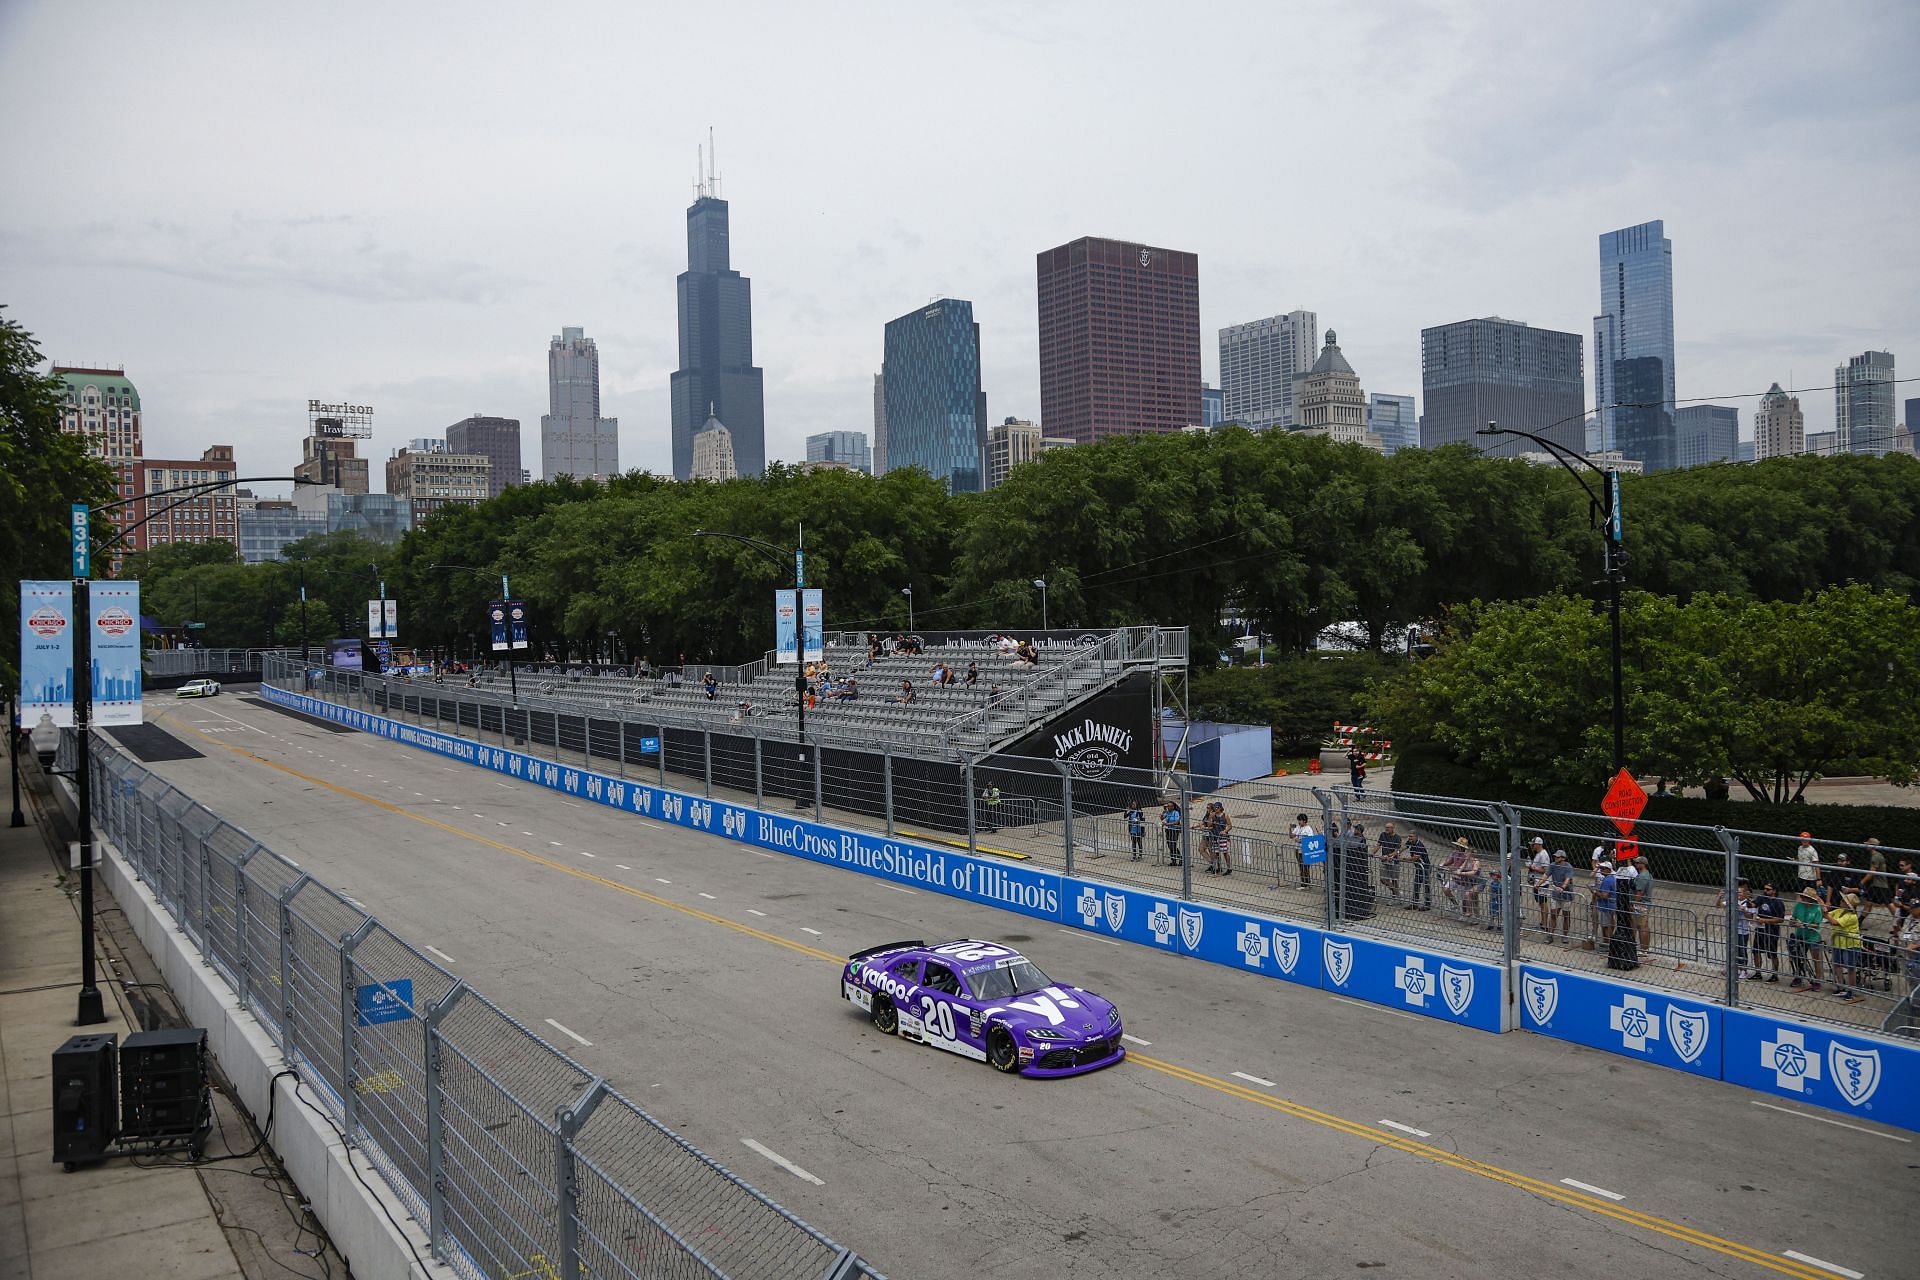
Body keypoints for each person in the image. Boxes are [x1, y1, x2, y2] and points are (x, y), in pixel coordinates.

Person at [1826, 892, 1865, 1004]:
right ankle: (1841, 986)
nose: (1841, 901)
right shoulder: (1839, 911)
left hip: (1850, 944)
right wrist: (1823, 908)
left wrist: (1825, 913)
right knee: (1837, 964)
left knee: (1850, 968)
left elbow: (1834, 922)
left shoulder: (1851, 916)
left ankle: (1851, 990)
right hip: (1838, 942)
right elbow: (1829, 915)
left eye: (1843, 901)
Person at [1788, 887, 1824, 991]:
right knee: (1798, 957)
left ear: (1811, 900)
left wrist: (1804, 924)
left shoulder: (1817, 908)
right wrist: (1793, 922)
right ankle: (1798, 976)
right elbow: (1793, 918)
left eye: (1805, 897)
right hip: (1800, 935)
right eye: (1802, 897)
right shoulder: (1799, 906)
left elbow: (1816, 924)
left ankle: (1818, 980)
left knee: (1816, 959)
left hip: (1813, 937)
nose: (1803, 899)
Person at [1751, 881, 1785, 982]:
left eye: (1768, 889)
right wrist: (1746, 899)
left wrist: (1765, 920)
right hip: (1760, 928)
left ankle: (1775, 975)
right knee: (1756, 951)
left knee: (1772, 953)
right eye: (1764, 889)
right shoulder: (1762, 898)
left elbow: (1780, 919)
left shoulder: (1778, 902)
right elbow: (1753, 904)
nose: (1765, 891)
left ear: (1774, 891)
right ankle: (1758, 973)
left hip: (1772, 930)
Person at [1547, 850, 1575, 942]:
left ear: (1563, 858)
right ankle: (1550, 935)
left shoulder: (1568, 867)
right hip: (1556, 894)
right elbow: (1545, 875)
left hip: (1566, 895)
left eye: (1558, 857)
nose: (1555, 858)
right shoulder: (1553, 865)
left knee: (1566, 916)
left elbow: (1568, 879)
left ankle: (1565, 935)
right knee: (1553, 914)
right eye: (1555, 856)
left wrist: (1562, 887)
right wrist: (1538, 884)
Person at [1527, 838, 1552, 934]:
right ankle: (1542, 923)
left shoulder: (1543, 855)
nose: (1532, 846)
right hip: (1537, 883)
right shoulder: (1538, 854)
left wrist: (1533, 868)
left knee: (1543, 903)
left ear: (1538, 844)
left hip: (1542, 883)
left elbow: (1546, 870)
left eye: (1533, 844)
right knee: (1541, 903)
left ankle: (1545, 925)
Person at [1631, 855, 1655, 951]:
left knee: (1642, 926)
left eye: (1637, 863)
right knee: (1643, 925)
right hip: (1644, 903)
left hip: (1640, 904)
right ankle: (1644, 948)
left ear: (1643, 864)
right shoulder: (1647, 874)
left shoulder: (1642, 876)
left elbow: (1639, 892)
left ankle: (1644, 949)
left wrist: (1633, 904)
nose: (1635, 864)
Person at [1404, 832, 1432, 910]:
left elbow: (1415, 857)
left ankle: (1427, 905)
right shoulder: (1411, 842)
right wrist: (1398, 852)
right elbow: (1404, 847)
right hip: (1419, 868)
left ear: (1416, 837)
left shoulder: (1419, 845)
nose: (1409, 838)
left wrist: (1404, 859)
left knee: (1426, 886)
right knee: (1416, 885)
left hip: (1425, 868)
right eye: (1409, 836)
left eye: (1411, 836)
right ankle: (1414, 904)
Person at [1288, 813, 1316, 890]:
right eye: (1298, 820)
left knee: (1305, 867)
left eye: (1300, 820)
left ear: (1304, 821)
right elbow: (1291, 836)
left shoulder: (1308, 829)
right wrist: (1290, 828)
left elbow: (1310, 840)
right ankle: (1304, 882)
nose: (1299, 822)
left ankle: (1306, 883)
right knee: (1301, 867)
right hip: (1298, 850)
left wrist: (1300, 840)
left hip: (1305, 850)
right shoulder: (1298, 827)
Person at [1377, 822, 1403, 903]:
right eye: (1386, 827)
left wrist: (1388, 856)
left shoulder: (1397, 838)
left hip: (1394, 861)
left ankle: (1395, 896)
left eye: (1388, 828)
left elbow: (1396, 851)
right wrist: (1372, 852)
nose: (1386, 829)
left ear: (1393, 828)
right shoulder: (1383, 835)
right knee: (1383, 879)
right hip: (1385, 860)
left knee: (1394, 880)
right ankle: (1397, 893)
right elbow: (1378, 845)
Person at [1162, 800, 1183, 866]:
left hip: (1174, 830)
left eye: (1170, 806)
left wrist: (1168, 824)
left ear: (1173, 807)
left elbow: (1176, 822)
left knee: (1173, 845)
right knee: (1169, 845)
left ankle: (1180, 858)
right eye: (1168, 806)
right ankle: (1173, 860)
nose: (1168, 807)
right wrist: (1164, 811)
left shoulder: (1176, 812)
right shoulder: (1167, 812)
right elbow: (1162, 818)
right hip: (1168, 830)